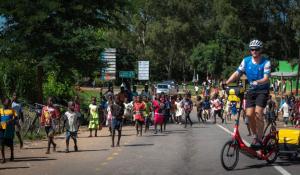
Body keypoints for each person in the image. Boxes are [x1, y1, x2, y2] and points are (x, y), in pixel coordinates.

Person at [226, 39, 271, 149]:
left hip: (262, 90)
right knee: (249, 115)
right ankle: (255, 136)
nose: (254, 51)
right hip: (251, 90)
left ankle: (260, 139)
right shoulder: (246, 61)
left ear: (260, 50)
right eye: (252, 49)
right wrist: (226, 82)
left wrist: (257, 82)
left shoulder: (266, 62)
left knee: (258, 113)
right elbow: (237, 73)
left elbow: (266, 78)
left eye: (256, 49)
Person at [0, 98, 17, 163]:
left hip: (9, 129)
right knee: (1, 143)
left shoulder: (12, 110)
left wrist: (11, 120)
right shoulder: (0, 110)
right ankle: (3, 158)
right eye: (7, 102)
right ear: (3, 103)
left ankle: (12, 155)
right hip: (2, 129)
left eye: (9, 102)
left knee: (10, 143)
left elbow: (16, 118)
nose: (9, 103)